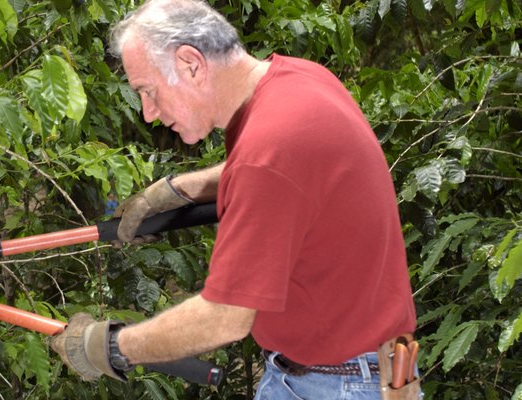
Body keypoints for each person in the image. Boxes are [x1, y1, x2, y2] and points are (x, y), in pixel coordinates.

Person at [51, 0, 419, 398]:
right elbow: (287, 171)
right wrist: (181, 189)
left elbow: (224, 318)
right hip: (343, 372)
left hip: (336, 385)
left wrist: (108, 347)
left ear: (191, 64)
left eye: (147, 91)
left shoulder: (269, 153)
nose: (148, 113)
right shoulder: (297, 80)